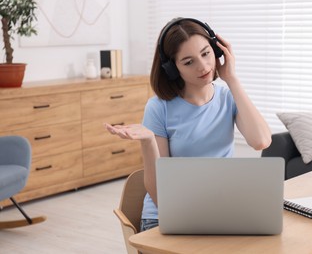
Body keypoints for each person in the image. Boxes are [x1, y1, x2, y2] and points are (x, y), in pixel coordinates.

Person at [104, 17, 272, 231]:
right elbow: (160, 199)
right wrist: (148, 142)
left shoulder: (228, 97)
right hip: (166, 217)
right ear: (172, 68)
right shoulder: (159, 108)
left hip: (219, 210)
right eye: (188, 61)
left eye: (206, 53)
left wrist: (231, 78)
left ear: (217, 50)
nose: (203, 66)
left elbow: (261, 141)